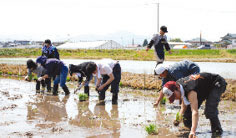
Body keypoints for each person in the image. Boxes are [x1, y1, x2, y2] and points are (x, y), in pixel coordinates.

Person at [160, 72, 227, 137]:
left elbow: (195, 112)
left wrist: (193, 131)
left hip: (216, 83)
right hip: (202, 89)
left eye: (174, 96)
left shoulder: (190, 91)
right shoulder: (179, 86)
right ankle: (189, 130)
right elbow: (183, 106)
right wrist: (178, 119)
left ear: (177, 88)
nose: (175, 99)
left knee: (210, 110)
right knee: (187, 114)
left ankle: (217, 132)